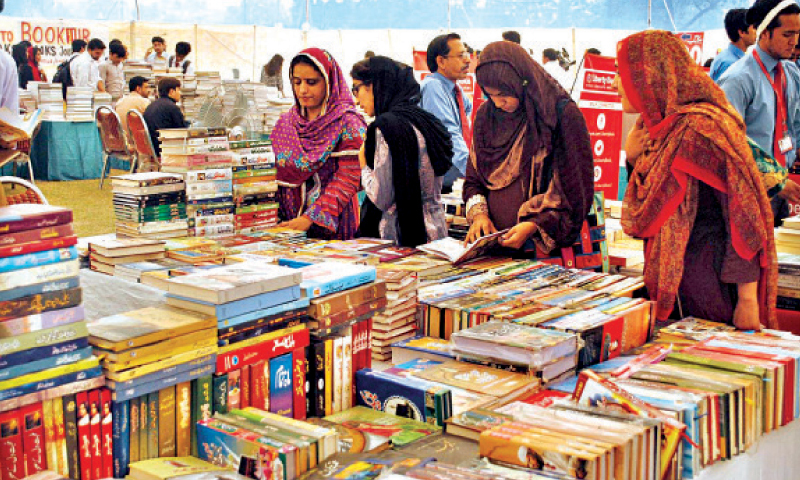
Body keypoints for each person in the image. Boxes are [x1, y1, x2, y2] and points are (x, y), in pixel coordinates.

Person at [615, 30, 777, 330]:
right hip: (674, 290)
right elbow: (646, 212)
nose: (615, 84)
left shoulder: (703, 130)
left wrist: (748, 301)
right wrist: (634, 158)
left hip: (712, 293)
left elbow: (743, 216)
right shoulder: (657, 130)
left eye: (621, 73)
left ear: (651, 75)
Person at [463, 41, 594, 259]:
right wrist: (479, 216)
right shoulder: (486, 117)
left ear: (521, 82)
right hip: (495, 249)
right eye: (490, 94)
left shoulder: (558, 115)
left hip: (545, 252)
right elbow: (474, 179)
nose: (498, 103)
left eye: (503, 94)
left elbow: (575, 190)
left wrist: (535, 224)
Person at [350, 56, 454, 246]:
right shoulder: (426, 121)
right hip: (436, 233)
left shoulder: (386, 127)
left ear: (375, 85)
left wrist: (364, 165)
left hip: (398, 236)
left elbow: (382, 197)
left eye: (357, 89)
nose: (357, 100)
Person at [719, 0, 800, 225]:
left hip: (783, 184)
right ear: (764, 33)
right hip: (749, 190)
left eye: (797, 34)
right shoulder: (738, 79)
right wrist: (773, 180)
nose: (794, 42)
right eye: (787, 35)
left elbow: (795, 122)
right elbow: (730, 141)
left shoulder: (790, 72)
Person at [271, 48, 366, 240]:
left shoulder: (347, 122)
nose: (302, 90)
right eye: (297, 82)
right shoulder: (286, 123)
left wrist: (310, 218)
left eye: (311, 82)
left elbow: (350, 176)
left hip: (335, 225)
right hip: (288, 225)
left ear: (329, 82)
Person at [419, 33, 472, 191]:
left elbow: (470, 116)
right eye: (461, 56)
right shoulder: (433, 87)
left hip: (454, 177)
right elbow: (448, 133)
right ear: (441, 61)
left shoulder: (456, 90)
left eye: (467, 54)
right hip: (442, 184)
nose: (468, 60)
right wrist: (473, 170)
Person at [143, 77, 187, 158]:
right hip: (164, 149)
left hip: (151, 148)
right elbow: (183, 132)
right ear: (171, 91)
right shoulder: (172, 107)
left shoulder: (151, 106)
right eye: (179, 90)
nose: (180, 94)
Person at [709, 9, 757, 82]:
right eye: (754, 28)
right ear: (742, 32)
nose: (756, 32)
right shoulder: (731, 63)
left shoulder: (727, 57)